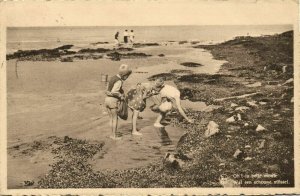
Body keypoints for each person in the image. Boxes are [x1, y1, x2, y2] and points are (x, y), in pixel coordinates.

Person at [105, 64, 132, 140]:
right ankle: (114, 136)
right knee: (115, 118)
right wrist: (121, 96)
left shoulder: (112, 77)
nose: (126, 78)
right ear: (124, 75)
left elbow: (107, 90)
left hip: (107, 99)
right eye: (127, 76)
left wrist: (109, 93)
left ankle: (111, 134)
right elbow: (114, 91)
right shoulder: (119, 81)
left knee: (111, 118)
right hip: (113, 101)